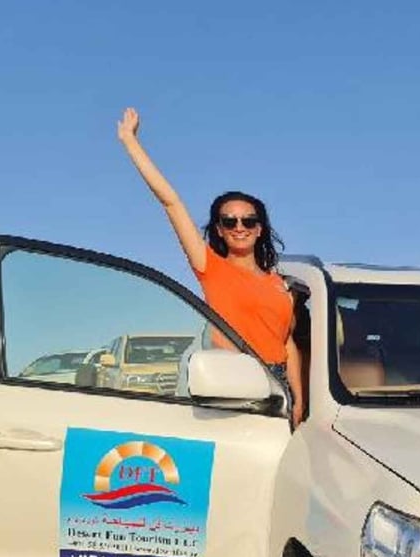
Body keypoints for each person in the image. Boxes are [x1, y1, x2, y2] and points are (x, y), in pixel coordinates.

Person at [115, 107, 303, 428]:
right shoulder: (210, 267)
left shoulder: (280, 284)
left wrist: (298, 400)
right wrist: (130, 141)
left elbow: (287, 343)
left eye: (249, 220)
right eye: (229, 220)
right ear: (219, 229)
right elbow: (171, 202)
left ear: (260, 229)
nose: (239, 226)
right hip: (231, 382)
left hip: (278, 386)